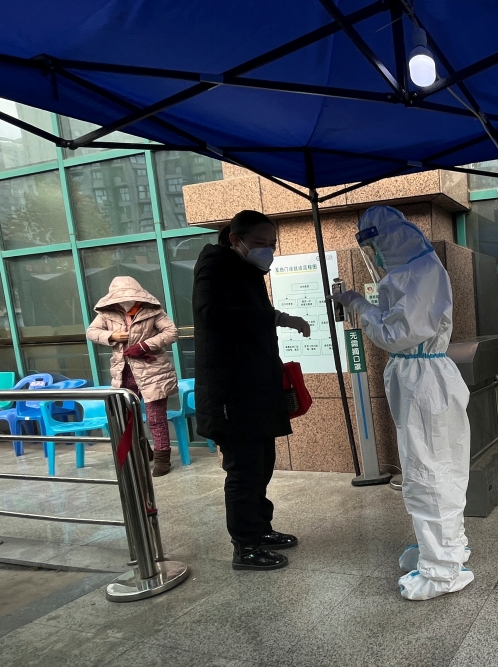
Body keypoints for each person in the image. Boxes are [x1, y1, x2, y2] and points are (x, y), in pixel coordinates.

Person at [333, 205, 473, 601]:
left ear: (388, 242)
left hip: (423, 383)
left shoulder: (420, 274)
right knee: (432, 468)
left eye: (374, 246)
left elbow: (397, 335)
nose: (373, 256)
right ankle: (446, 549)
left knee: (430, 473)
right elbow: (399, 324)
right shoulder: (412, 272)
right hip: (421, 380)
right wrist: (360, 302)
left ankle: (443, 571)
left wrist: (359, 306)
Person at [193, 209, 310, 571]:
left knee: (263, 465)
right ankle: (245, 546)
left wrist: (282, 318)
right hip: (230, 391)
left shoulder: (247, 269)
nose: (268, 251)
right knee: (244, 470)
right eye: (260, 244)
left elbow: (250, 311)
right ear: (235, 239)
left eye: (272, 244)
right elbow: (211, 313)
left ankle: (260, 529)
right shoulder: (214, 265)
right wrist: (271, 318)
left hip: (256, 387)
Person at [87, 276, 179, 476]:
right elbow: (91, 331)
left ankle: (163, 457)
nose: (125, 300)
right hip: (123, 372)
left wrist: (144, 345)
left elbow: (171, 332)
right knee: (129, 417)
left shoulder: (153, 310)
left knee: (156, 416)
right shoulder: (107, 313)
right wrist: (110, 336)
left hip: (153, 370)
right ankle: (143, 450)